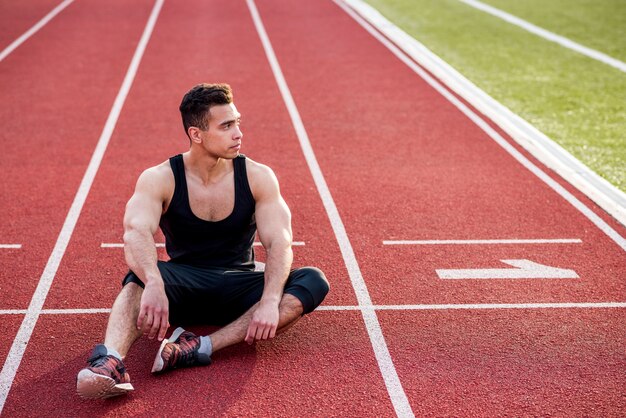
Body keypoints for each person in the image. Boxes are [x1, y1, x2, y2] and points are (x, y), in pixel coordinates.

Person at [76, 83, 330, 399]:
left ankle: (199, 346)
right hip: (183, 284)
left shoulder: (257, 176)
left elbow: (279, 243)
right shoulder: (160, 178)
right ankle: (110, 360)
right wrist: (154, 282)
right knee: (135, 282)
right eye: (226, 126)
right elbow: (135, 232)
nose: (238, 133)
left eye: (237, 122)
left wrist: (268, 300)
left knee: (312, 281)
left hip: (239, 285)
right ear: (197, 134)